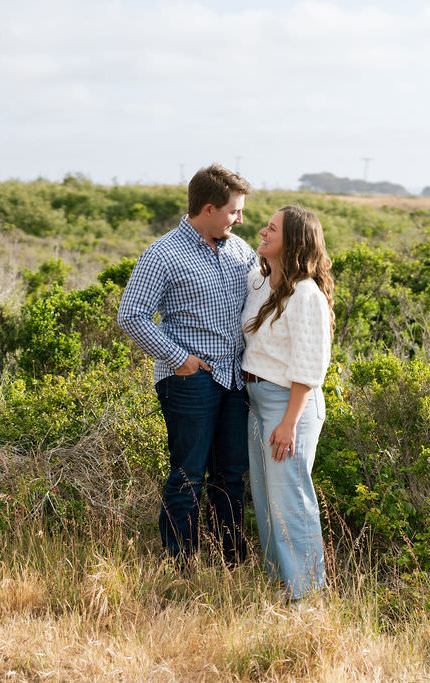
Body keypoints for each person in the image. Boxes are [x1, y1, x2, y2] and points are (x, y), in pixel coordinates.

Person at [117, 164, 257, 565]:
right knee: (189, 475)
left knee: (230, 475)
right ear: (209, 208)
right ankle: (182, 563)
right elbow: (132, 314)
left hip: (234, 379)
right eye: (234, 211)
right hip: (190, 380)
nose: (240, 218)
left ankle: (230, 559)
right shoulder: (163, 253)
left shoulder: (239, 249)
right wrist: (181, 360)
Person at [241, 205, 333, 600]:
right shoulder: (261, 282)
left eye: (272, 229)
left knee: (291, 498)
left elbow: (310, 366)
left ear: (293, 241)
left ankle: (307, 594)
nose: (262, 231)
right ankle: (281, 583)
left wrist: (289, 422)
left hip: (289, 408)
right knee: (266, 499)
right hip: (259, 402)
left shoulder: (306, 295)